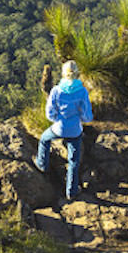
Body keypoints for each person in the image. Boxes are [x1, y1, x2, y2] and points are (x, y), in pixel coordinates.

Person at [34, 61, 94, 200]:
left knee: (44, 139)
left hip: (59, 128)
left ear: (63, 73)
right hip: (75, 130)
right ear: (77, 73)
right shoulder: (82, 91)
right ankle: (71, 192)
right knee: (73, 161)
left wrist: (59, 120)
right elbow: (87, 115)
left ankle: (42, 165)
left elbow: (49, 113)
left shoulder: (56, 90)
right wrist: (79, 121)